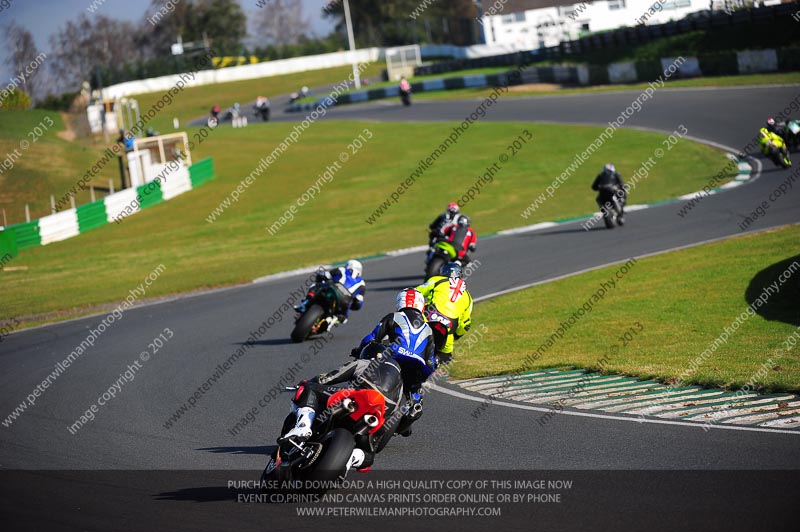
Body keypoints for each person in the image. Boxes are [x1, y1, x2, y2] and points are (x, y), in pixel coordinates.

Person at [281, 347, 405, 472]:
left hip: (357, 398)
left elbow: (328, 378)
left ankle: (303, 427)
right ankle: (350, 460)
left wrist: (308, 382)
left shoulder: (365, 363)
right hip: (376, 415)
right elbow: (393, 416)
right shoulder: (400, 387)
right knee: (368, 455)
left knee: (309, 388)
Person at [350, 289, 437, 436]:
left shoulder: (393, 317)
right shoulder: (428, 329)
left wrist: (359, 350)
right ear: (421, 306)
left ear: (399, 304)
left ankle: (357, 394)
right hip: (418, 365)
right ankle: (413, 405)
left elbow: (371, 338)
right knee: (416, 391)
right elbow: (431, 360)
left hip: (395, 355)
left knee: (368, 362)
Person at [415, 262, 473, 365]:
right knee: (446, 356)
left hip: (427, 318)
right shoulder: (468, 298)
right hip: (448, 330)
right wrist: (456, 335)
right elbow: (465, 325)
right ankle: (435, 368)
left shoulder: (436, 280)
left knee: (407, 326)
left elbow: (416, 291)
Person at [294, 259, 365, 324]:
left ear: (347, 266)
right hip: (345, 300)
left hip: (333, 289)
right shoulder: (362, 283)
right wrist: (352, 305)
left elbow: (324, 275)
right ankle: (333, 320)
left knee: (315, 285)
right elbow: (359, 303)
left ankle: (304, 304)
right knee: (344, 316)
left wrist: (320, 279)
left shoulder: (342, 269)